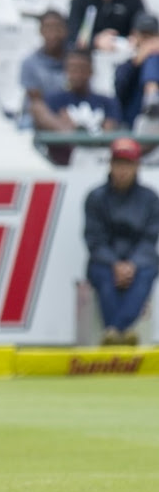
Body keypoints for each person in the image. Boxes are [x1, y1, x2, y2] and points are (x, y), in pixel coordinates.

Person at [84, 137, 159, 345]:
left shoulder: (150, 199)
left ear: (137, 166)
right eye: (118, 163)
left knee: (147, 270)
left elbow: (149, 239)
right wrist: (116, 264)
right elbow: (94, 239)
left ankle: (114, 330)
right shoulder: (96, 198)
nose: (122, 170)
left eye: (128, 164)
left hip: (139, 261)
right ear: (110, 165)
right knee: (104, 274)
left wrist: (132, 265)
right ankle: (124, 331)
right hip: (105, 260)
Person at [33, 48, 123, 165]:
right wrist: (65, 129)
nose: (76, 74)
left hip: (100, 160)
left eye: (81, 68)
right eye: (72, 69)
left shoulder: (107, 101)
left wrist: (76, 130)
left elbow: (109, 131)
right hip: (63, 164)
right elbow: (38, 111)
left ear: (91, 71)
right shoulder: (53, 100)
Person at [68, 0, 145, 52]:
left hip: (124, 52)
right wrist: (96, 40)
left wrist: (136, 38)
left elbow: (142, 23)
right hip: (86, 54)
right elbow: (73, 30)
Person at [19, 9, 69, 129]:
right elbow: (36, 99)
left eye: (57, 28)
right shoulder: (29, 63)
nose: (53, 33)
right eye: (48, 28)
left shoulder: (74, 60)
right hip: (41, 116)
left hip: (71, 113)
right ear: (41, 31)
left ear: (66, 31)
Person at [114, 11, 159, 128]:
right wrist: (136, 63)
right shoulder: (127, 65)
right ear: (134, 36)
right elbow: (119, 93)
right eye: (143, 36)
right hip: (132, 123)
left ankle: (153, 99)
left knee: (153, 59)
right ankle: (152, 98)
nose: (147, 42)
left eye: (151, 36)